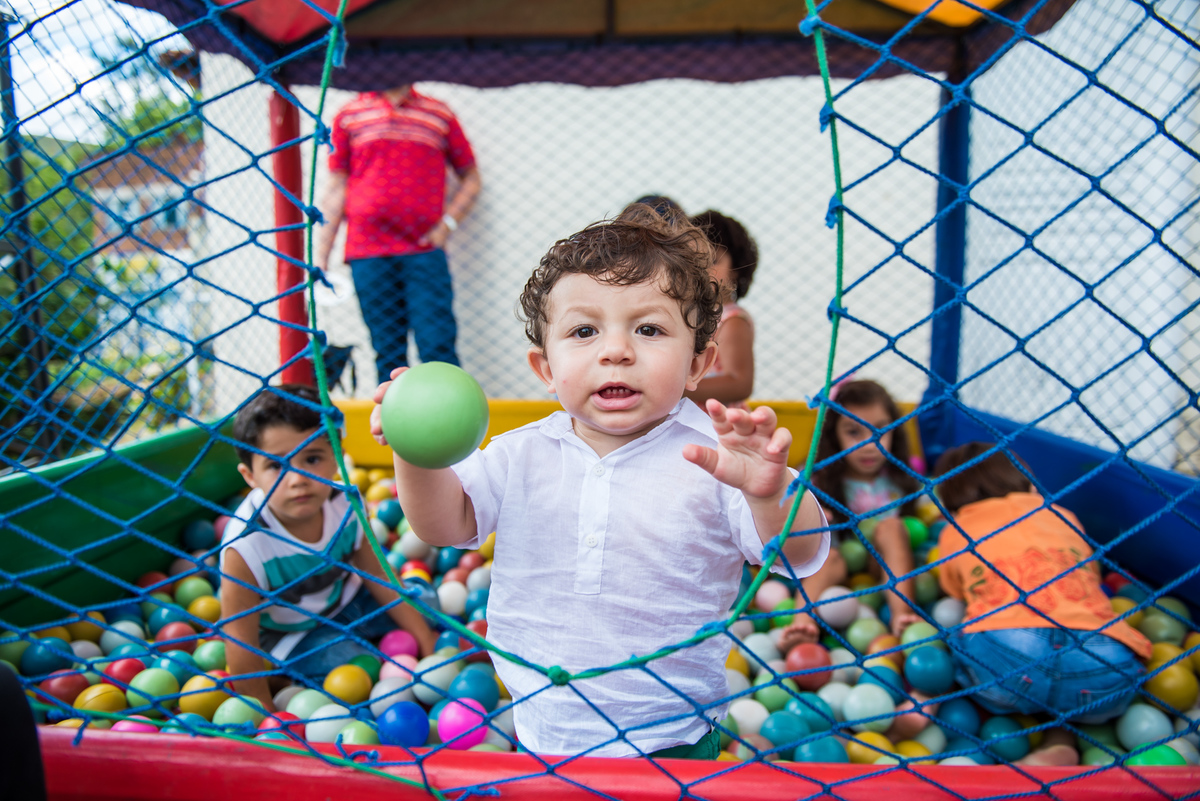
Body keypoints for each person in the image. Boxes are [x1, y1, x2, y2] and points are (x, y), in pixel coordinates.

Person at [369, 205, 830, 757]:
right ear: (545, 368)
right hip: (544, 727)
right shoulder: (521, 453)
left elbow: (798, 554)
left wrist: (769, 494)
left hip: (673, 737)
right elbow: (444, 524)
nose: (616, 350)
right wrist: (415, 449)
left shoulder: (716, 455)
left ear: (697, 364)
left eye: (649, 328)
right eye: (585, 330)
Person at [220, 384, 437, 712]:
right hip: (294, 634)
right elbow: (240, 640)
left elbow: (377, 573)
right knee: (356, 669)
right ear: (250, 475)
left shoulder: (345, 502)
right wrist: (263, 714)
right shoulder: (245, 546)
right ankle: (285, 676)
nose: (297, 478)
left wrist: (428, 644)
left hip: (350, 602)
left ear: (336, 457)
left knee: (429, 604)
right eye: (277, 466)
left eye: (312, 458)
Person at [933, 442, 1150, 728]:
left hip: (1009, 655)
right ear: (1025, 480)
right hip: (1100, 663)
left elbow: (953, 589)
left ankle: (1009, 715)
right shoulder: (1062, 516)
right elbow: (1091, 575)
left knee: (954, 636)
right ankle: (1067, 733)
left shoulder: (957, 529)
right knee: (1114, 684)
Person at [314, 85, 482, 383]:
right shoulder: (349, 115)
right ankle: (392, 427)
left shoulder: (437, 114)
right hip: (368, 253)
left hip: (423, 250)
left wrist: (447, 227)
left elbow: (471, 177)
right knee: (387, 352)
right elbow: (336, 186)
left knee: (438, 346)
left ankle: (451, 426)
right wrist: (321, 257)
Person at [779, 379, 928, 651]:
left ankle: (903, 615)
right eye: (853, 432)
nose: (870, 444)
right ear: (835, 435)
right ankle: (802, 621)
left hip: (879, 567)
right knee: (830, 557)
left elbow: (928, 514)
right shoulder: (817, 478)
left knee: (892, 528)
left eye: (880, 430)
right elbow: (786, 512)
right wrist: (810, 513)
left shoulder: (903, 479)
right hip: (830, 563)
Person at [685, 210, 758, 409]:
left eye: (714, 261)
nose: (703, 269)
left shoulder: (732, 320)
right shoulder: (686, 315)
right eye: (694, 260)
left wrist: (676, 387)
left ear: (736, 269)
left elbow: (740, 383)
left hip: (720, 426)